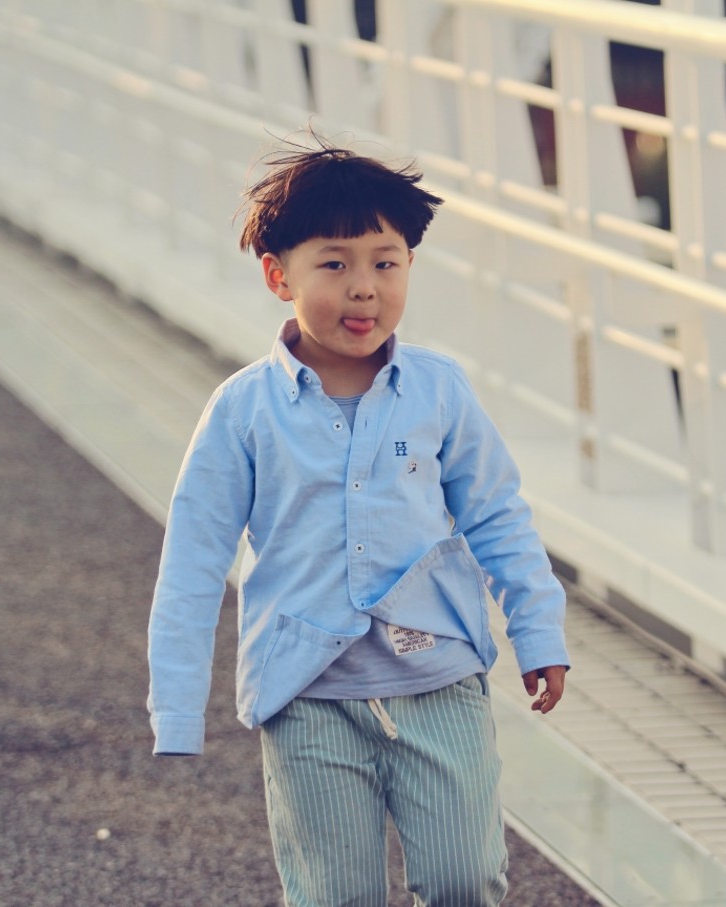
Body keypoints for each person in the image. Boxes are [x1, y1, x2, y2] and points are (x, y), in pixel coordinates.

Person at [147, 134, 570, 906]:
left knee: (465, 878)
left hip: (439, 678)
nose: (365, 289)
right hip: (306, 692)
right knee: (335, 894)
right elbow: (194, 558)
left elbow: (498, 515)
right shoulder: (244, 410)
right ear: (279, 275)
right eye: (335, 265)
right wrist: (176, 705)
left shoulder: (438, 390)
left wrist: (538, 632)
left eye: (386, 263)